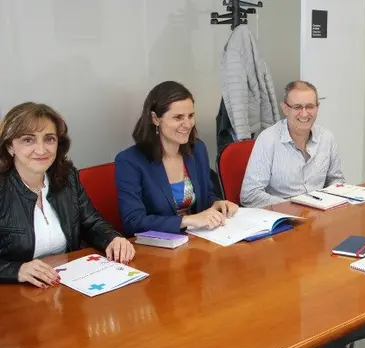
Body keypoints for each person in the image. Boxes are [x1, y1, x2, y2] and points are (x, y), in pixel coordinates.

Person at [0, 102, 134, 287]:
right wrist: (17, 270)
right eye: (28, 140)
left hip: (64, 284)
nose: (41, 150)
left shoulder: (67, 178)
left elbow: (91, 222)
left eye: (49, 139)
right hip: (14, 294)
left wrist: (113, 238)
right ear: (9, 146)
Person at [115, 81, 239, 237]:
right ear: (155, 119)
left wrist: (217, 204)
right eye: (178, 117)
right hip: (156, 249)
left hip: (199, 240)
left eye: (191, 116)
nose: (187, 124)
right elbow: (133, 222)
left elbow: (206, 195)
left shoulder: (198, 149)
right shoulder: (129, 161)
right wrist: (187, 220)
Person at [240, 80, 345, 208]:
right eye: (297, 107)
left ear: (317, 107)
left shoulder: (327, 138)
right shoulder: (268, 140)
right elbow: (250, 195)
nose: (305, 113)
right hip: (282, 217)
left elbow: (336, 180)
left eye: (310, 106)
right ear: (285, 109)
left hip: (319, 216)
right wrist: (294, 208)